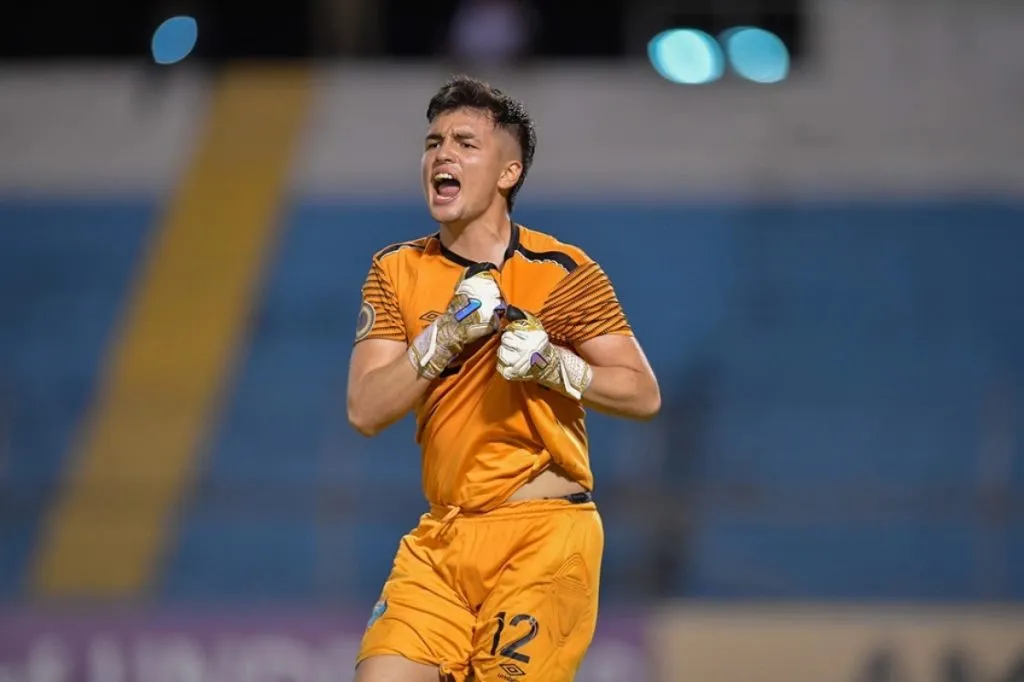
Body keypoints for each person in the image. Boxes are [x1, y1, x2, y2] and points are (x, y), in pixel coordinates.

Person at [347, 75, 661, 682]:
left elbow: (642, 392)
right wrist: (440, 341)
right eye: (433, 141)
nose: (442, 154)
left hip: (544, 538)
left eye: (465, 143)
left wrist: (554, 365)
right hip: (444, 537)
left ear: (507, 173)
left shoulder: (562, 271)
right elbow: (365, 408)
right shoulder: (395, 270)